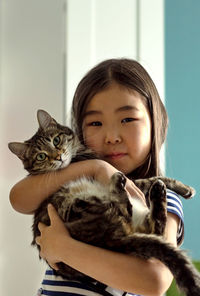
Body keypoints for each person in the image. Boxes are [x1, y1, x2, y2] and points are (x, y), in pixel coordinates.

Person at [9, 58, 184, 296]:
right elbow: (18, 198)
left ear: (156, 122)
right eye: (95, 123)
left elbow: (154, 281)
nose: (111, 136)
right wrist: (95, 168)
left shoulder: (160, 197)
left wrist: (64, 248)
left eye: (127, 119)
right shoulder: (73, 182)